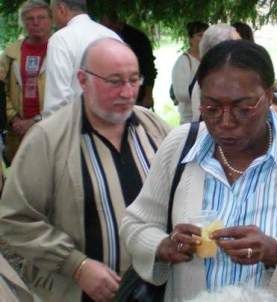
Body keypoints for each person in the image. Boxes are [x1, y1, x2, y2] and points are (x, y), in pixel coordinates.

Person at [120, 40, 277, 301]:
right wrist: (163, 245)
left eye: (244, 108)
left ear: (268, 96)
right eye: (212, 108)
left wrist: (274, 252)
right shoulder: (179, 147)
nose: (226, 122)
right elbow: (135, 225)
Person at [0, 38, 170, 302]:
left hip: (156, 289)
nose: (127, 92)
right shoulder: (48, 138)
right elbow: (15, 218)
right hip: (83, 294)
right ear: (82, 80)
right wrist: (76, 266)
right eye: (114, 81)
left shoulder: (153, 128)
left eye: (134, 80)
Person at [43, 0, 121, 116]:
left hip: (78, 126)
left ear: (61, 9)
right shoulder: (112, 35)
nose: (52, 19)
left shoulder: (61, 39)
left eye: (52, 12)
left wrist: (54, 132)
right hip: (114, 122)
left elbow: (57, 99)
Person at [0, 0, 52, 164]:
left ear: (51, 20)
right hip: (17, 131)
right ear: (23, 23)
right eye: (30, 18)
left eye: (41, 17)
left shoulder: (61, 50)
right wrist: (14, 119)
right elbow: (2, 91)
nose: (36, 22)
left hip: (51, 127)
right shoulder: (10, 55)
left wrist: (36, 121)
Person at [101, 11, 157, 109]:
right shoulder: (103, 38)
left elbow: (149, 69)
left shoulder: (138, 38)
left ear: (114, 22)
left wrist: (148, 95)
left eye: (108, 26)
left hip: (137, 97)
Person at [190, 24, 241, 122]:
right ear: (223, 52)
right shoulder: (220, 84)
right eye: (240, 45)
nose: (245, 51)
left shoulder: (205, 78)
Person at [171, 21, 208, 124]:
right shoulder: (183, 62)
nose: (204, 38)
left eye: (206, 35)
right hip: (190, 120)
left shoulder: (211, 59)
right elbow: (180, 94)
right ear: (190, 39)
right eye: (200, 35)